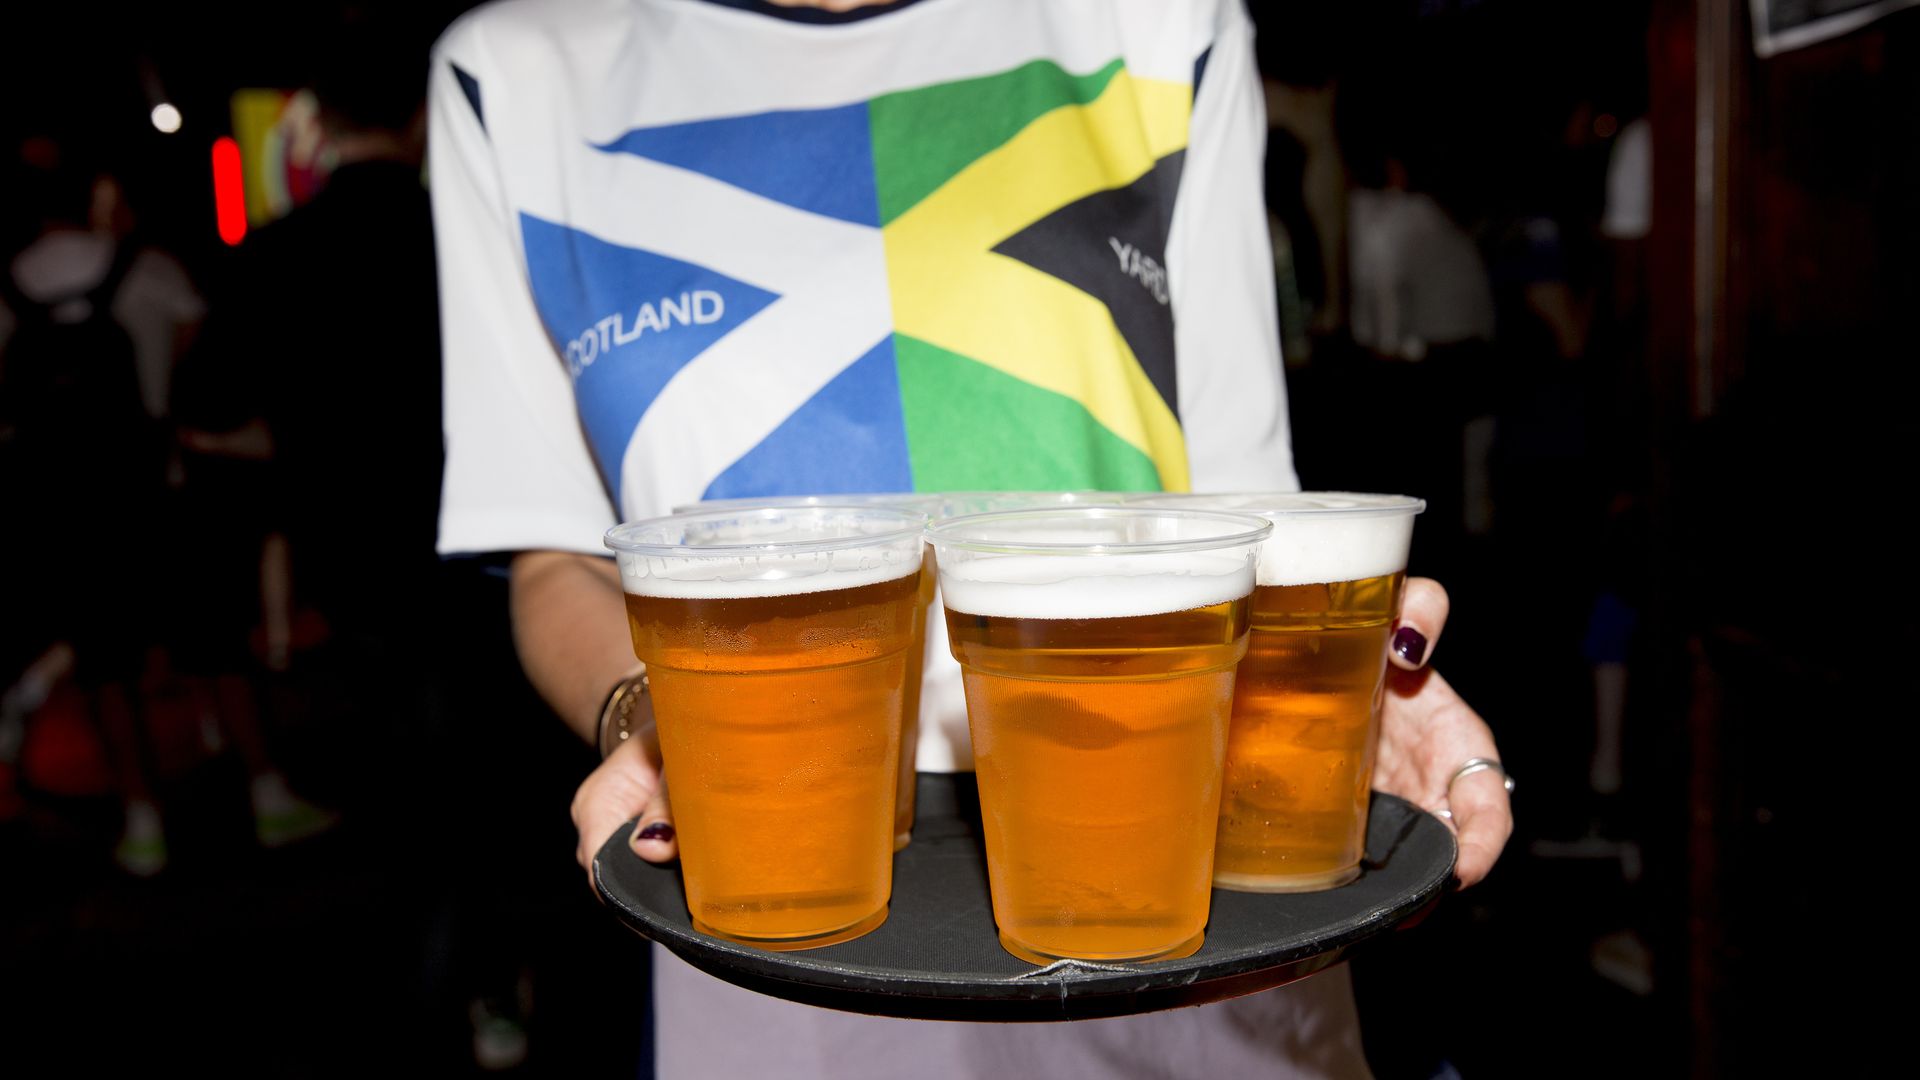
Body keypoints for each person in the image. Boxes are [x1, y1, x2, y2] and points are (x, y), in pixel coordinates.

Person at [428, 1, 1513, 1075]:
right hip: (780, 913)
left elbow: (1240, 514)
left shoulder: (1156, 23)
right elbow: (555, 555)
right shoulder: (513, 74)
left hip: (1169, 883)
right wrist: (651, 721)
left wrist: (1340, 704)